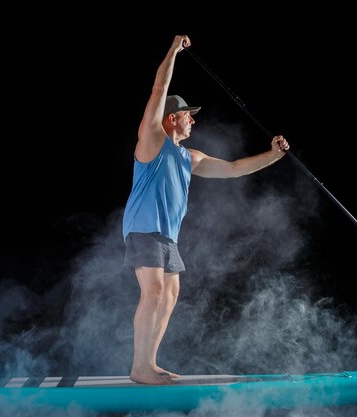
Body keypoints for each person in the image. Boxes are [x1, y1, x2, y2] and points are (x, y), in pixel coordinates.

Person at [122, 35, 290, 385]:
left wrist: (272, 156)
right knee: (153, 291)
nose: (193, 122)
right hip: (143, 227)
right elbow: (158, 89)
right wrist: (172, 50)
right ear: (170, 119)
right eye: (187, 116)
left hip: (167, 237)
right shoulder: (152, 140)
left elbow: (233, 168)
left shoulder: (190, 158)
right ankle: (139, 366)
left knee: (170, 294)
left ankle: (149, 364)